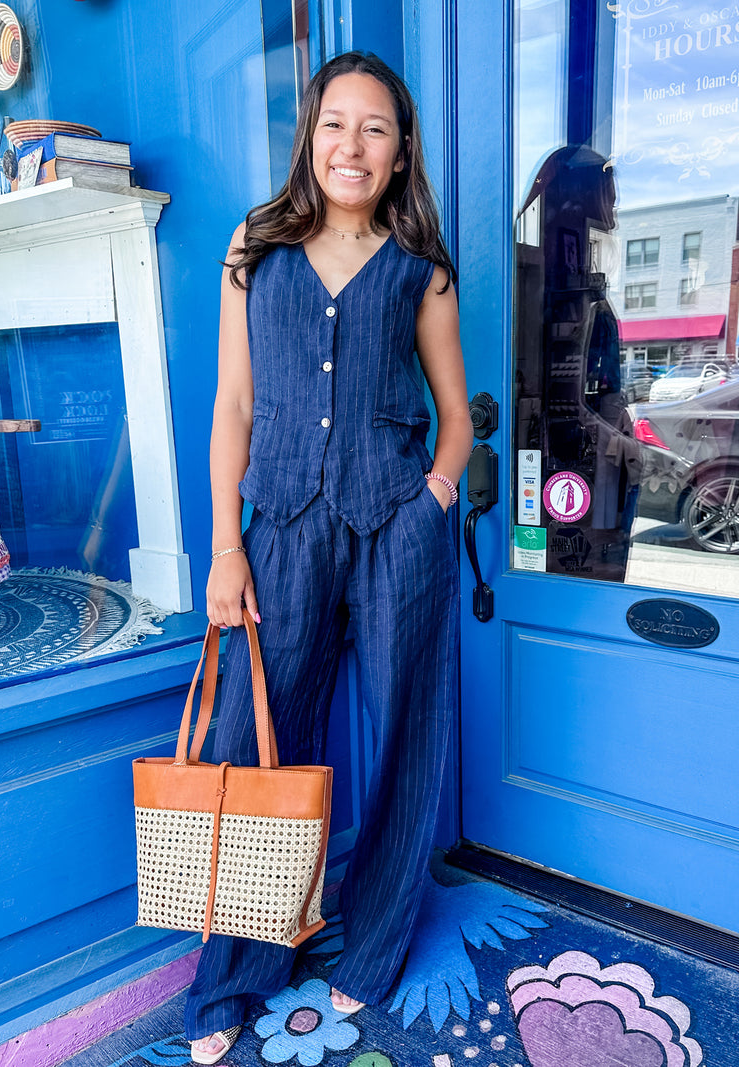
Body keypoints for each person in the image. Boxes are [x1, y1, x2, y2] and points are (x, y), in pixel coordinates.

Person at [186, 50, 473, 1065]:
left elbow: (456, 420)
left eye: (376, 129)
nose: (351, 145)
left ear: (399, 155)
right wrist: (225, 546)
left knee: (405, 735)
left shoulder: (420, 265)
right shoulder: (253, 247)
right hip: (281, 533)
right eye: (335, 124)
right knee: (249, 746)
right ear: (311, 136)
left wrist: (430, 501)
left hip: (397, 526)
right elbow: (232, 405)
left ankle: (373, 951)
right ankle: (231, 977)